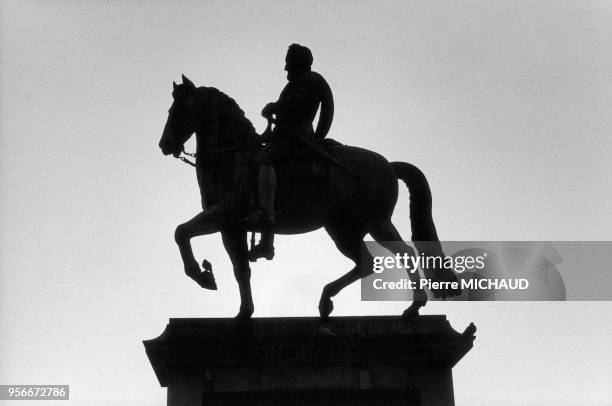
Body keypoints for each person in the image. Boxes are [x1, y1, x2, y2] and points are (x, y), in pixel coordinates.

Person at [248, 43, 334, 261]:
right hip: (285, 134)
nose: (285, 68)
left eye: (288, 62)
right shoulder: (294, 84)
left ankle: (267, 228)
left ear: (298, 62)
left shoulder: (310, 80)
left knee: (263, 160)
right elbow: (282, 121)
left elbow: (296, 104)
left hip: (298, 135)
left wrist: (274, 107)